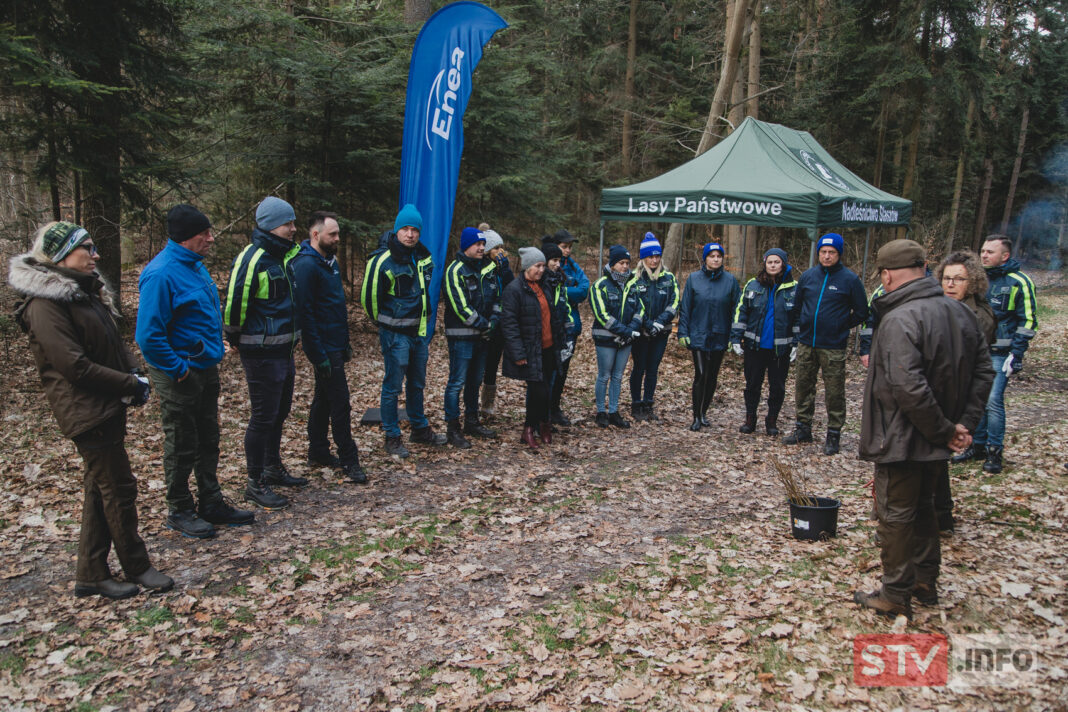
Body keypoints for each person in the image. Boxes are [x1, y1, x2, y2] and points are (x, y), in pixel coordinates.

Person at [10, 221, 173, 599]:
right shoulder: (45, 304)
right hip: (85, 411)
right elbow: (74, 366)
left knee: (99, 490)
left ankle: (91, 573)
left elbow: (111, 343)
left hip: (104, 404)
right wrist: (129, 384)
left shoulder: (82, 294)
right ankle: (138, 566)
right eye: (87, 248)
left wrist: (132, 373)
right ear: (62, 255)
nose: (95, 255)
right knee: (119, 488)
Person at [854, 239, 993, 618]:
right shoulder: (960, 312)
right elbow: (984, 372)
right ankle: (924, 580)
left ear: (886, 274)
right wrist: (963, 424)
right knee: (927, 508)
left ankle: (896, 593)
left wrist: (947, 429)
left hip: (904, 437)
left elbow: (907, 387)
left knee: (896, 515)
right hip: (935, 437)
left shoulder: (900, 319)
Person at [137, 204, 255, 539]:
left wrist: (214, 344)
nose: (211, 238)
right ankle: (179, 509)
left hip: (204, 368)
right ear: (188, 236)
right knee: (182, 442)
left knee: (209, 438)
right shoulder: (160, 274)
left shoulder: (196, 267)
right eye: (205, 233)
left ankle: (211, 502)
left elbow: (198, 314)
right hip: (179, 373)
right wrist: (178, 369)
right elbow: (148, 336)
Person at [224, 196, 306, 512]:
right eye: (289, 223)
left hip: (283, 352)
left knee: (280, 411)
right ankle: (255, 483)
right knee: (262, 417)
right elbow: (234, 305)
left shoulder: (282, 257)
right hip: (260, 354)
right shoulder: (253, 258)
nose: (293, 228)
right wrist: (234, 338)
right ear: (272, 225)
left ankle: (273, 467)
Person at [361, 204, 447, 458]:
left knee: (417, 383)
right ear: (397, 230)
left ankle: (418, 428)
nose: (410, 234)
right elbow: (369, 300)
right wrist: (385, 323)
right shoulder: (382, 260)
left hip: (418, 333)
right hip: (395, 333)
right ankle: (392, 435)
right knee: (392, 386)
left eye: (414, 230)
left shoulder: (423, 257)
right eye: (405, 229)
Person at [291, 210, 367, 484]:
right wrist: (317, 354)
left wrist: (344, 342)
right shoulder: (306, 265)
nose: (337, 238)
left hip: (335, 343)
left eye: (338, 233)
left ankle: (318, 451)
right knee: (340, 403)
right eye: (332, 234)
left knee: (323, 399)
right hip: (322, 347)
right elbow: (306, 314)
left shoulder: (329, 262)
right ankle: (350, 459)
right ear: (315, 234)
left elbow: (334, 308)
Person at [953, 235, 1038, 474]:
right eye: (982, 251)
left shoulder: (1018, 281)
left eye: (990, 252)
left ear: (1005, 256)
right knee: (974, 399)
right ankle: (976, 445)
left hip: (1002, 353)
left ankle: (994, 450)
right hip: (973, 351)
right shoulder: (978, 281)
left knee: (992, 400)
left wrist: (1017, 353)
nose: (984, 255)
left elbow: (1028, 320)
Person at [929, 250, 996, 533]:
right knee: (934, 459)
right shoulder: (935, 307)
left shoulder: (977, 315)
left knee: (934, 455)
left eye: (959, 279)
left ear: (973, 283)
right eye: (946, 278)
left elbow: (972, 365)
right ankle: (942, 516)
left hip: (955, 393)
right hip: (934, 390)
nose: (951, 284)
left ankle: (940, 516)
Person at [783, 232, 868, 455]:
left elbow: (861, 311)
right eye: (823, 252)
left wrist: (841, 325)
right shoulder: (809, 277)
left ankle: (834, 433)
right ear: (818, 253)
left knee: (834, 391)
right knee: (803, 386)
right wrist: (800, 328)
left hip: (833, 346)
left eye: (832, 253)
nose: (827, 256)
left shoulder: (849, 280)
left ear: (839, 254)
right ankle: (803, 427)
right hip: (807, 343)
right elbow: (798, 306)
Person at [500, 247, 566, 448]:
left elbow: (552, 316)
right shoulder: (514, 289)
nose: (541, 270)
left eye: (543, 266)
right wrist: (518, 353)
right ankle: (533, 427)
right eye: (538, 266)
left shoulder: (544, 285)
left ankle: (537, 426)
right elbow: (509, 324)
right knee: (540, 391)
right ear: (527, 266)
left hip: (548, 348)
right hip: (530, 350)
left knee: (545, 389)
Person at [729, 247, 799, 436]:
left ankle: (772, 420)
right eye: (770, 262)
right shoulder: (753, 285)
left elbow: (798, 318)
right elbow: (741, 312)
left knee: (777, 387)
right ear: (765, 264)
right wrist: (736, 337)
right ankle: (750, 419)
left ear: (783, 264)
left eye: (777, 262)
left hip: (780, 349)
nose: (773, 265)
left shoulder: (794, 288)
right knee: (752, 385)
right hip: (755, 346)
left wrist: (796, 343)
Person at [442, 227, 500, 448]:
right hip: (462, 336)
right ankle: (452, 427)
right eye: (477, 244)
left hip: (483, 336)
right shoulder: (455, 270)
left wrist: (494, 320)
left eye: (483, 244)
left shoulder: (488, 268)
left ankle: (472, 421)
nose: (482, 248)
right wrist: (484, 324)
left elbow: (497, 297)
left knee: (475, 381)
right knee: (457, 382)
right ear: (466, 246)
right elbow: (459, 306)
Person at [677, 242, 740, 432]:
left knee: (712, 376)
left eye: (718, 256)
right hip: (698, 333)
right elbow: (686, 307)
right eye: (711, 256)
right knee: (701, 374)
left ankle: (704, 412)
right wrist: (683, 331)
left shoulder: (730, 281)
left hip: (720, 334)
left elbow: (737, 309)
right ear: (705, 258)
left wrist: (734, 336)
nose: (715, 259)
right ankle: (695, 416)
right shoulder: (694, 279)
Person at [589, 244, 645, 428]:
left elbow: (640, 308)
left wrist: (633, 328)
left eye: (628, 263)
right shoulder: (600, 285)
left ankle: (613, 411)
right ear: (612, 264)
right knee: (604, 375)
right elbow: (602, 314)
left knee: (618, 376)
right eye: (621, 262)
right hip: (606, 339)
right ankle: (600, 412)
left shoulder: (633, 285)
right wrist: (625, 331)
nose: (625, 266)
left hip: (626, 340)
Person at [629, 232, 679, 422]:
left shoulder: (668, 278)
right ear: (643, 258)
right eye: (650, 256)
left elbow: (674, 302)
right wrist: (647, 324)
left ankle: (648, 404)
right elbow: (633, 303)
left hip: (661, 331)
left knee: (652, 368)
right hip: (641, 332)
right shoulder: (634, 278)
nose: (654, 260)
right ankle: (636, 404)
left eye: (657, 256)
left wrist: (660, 322)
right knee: (639, 367)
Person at [551, 229, 589, 425]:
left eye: (569, 247)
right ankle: (545, 410)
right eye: (564, 247)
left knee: (563, 370)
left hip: (571, 327)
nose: (567, 251)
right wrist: (567, 292)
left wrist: (563, 291)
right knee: (551, 370)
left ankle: (555, 407)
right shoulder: (549, 265)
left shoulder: (573, 267)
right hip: (554, 327)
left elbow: (583, 289)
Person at [479, 225, 513, 418]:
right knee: (477, 366)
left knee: (492, 366)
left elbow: (511, 288)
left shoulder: (502, 268)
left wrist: (505, 269)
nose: (500, 252)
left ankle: (487, 404)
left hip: (500, 324)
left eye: (501, 248)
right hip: (484, 322)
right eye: (495, 249)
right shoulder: (482, 267)